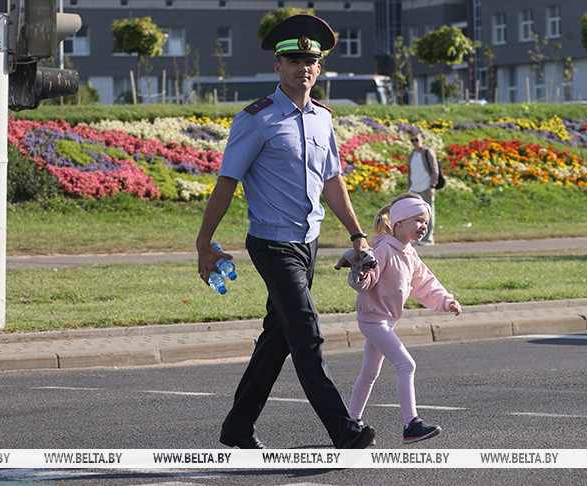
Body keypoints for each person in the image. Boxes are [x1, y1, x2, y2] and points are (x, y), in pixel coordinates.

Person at [195, 14, 375, 450]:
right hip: (273, 244)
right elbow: (227, 182)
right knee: (307, 332)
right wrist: (204, 244)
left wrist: (357, 236)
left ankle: (237, 427)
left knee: (278, 339)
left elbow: (333, 183)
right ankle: (343, 430)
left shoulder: (322, 120)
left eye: (311, 60)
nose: (304, 67)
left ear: (319, 67)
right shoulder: (255, 119)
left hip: (307, 243)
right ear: (278, 66)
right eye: (294, 59)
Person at [345, 193, 462, 445]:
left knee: (369, 373)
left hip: (386, 321)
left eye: (426, 222)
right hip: (373, 320)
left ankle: (350, 424)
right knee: (406, 365)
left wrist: (445, 301)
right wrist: (360, 273)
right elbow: (366, 281)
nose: (424, 226)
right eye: (418, 220)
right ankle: (411, 424)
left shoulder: (409, 254)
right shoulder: (384, 249)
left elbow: (425, 283)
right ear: (398, 222)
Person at [406, 132, 440, 246]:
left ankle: (429, 238)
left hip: (426, 187)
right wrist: (409, 187)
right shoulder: (412, 155)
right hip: (415, 188)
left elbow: (435, 170)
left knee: (428, 213)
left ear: (421, 140)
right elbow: (410, 172)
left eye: (416, 140)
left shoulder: (427, 152)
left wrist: (432, 186)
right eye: (412, 140)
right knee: (415, 214)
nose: (415, 142)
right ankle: (417, 237)